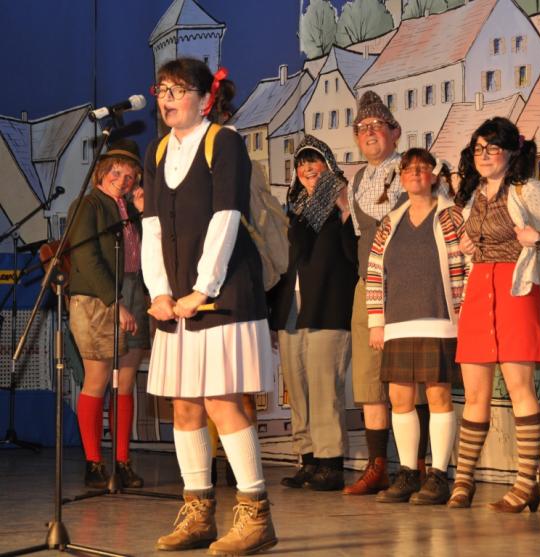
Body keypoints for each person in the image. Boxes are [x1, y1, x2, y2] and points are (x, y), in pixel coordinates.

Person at [143, 58, 276, 554]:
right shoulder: (158, 150)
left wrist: (203, 289)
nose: (167, 98)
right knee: (183, 404)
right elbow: (152, 227)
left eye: (178, 89)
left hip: (223, 292)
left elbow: (226, 217)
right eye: (162, 89)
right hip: (177, 299)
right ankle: (199, 513)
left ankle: (256, 515)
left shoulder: (225, 141)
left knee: (222, 401)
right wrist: (159, 292)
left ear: (205, 100)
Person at [449, 117, 540, 512]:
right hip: (479, 289)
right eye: (479, 148)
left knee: (520, 388)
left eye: (492, 148)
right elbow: (470, 238)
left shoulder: (527, 189)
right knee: (475, 392)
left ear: (510, 152)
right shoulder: (471, 195)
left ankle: (526, 483)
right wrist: (468, 244)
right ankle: (463, 481)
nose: (484, 155)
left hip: (516, 289)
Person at [366, 148, 465, 505]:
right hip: (398, 323)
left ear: (434, 176)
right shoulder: (390, 222)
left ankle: (438, 475)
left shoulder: (452, 216)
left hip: (440, 320)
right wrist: (376, 322)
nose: (415, 173)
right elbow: (375, 272)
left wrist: (464, 315)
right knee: (399, 398)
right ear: (402, 177)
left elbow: (468, 263)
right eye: (409, 169)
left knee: (438, 396)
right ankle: (408, 473)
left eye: (423, 168)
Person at [343, 91, 430, 495]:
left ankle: (419, 466)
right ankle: (377, 465)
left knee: (413, 376)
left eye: (378, 125)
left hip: (408, 286)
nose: (370, 133)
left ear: (395, 132)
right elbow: (361, 237)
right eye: (363, 128)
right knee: (368, 380)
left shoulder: (413, 172)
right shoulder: (356, 181)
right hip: (368, 286)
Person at [269, 135, 358, 492]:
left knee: (324, 388)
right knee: (298, 389)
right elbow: (281, 264)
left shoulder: (343, 203)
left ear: (329, 165)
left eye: (314, 160)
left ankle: (330, 463)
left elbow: (355, 256)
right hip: (291, 310)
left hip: (328, 307)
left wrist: (346, 212)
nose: (307, 168)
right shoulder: (292, 211)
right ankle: (306, 459)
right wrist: (274, 314)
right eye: (302, 163)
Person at [67, 139, 148, 489]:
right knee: (98, 379)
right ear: (102, 171)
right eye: (117, 172)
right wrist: (115, 303)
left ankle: (122, 461)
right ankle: (94, 463)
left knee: (126, 382)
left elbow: (145, 253)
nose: (123, 180)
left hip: (133, 291)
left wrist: (143, 214)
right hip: (97, 298)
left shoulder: (130, 210)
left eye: (130, 176)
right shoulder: (88, 205)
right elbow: (86, 257)